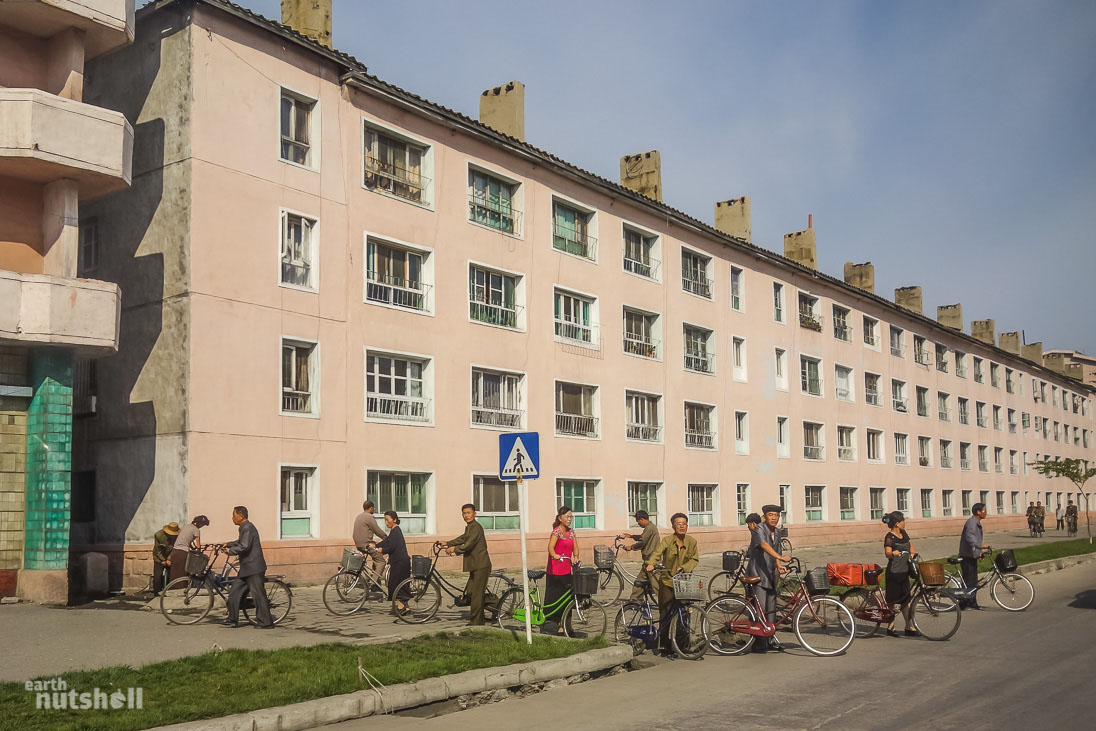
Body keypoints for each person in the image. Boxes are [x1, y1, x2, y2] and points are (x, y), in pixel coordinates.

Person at [645, 513, 699, 657]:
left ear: (687, 525)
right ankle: (665, 645)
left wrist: (685, 567)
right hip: (668, 581)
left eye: (684, 523)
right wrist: (651, 564)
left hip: (684, 583)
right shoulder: (667, 541)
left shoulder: (692, 542)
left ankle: (683, 646)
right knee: (666, 613)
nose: (681, 526)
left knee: (685, 614)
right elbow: (657, 553)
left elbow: (694, 559)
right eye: (678, 523)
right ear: (673, 526)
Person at [744, 505, 791, 653]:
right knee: (761, 609)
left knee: (771, 610)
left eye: (776, 515)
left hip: (770, 574)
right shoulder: (759, 529)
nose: (774, 518)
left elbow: (776, 550)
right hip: (758, 574)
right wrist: (780, 557)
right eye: (771, 515)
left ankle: (770, 639)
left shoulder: (777, 532)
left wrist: (779, 564)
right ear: (765, 516)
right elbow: (764, 545)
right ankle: (758, 642)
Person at [223, 506, 273, 628]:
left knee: (258, 596)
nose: (232, 518)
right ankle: (232, 619)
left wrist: (231, 551)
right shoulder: (244, 527)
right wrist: (229, 544)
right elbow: (241, 541)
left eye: (234, 515)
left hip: (254, 568)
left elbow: (244, 546)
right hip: (247, 568)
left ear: (241, 516)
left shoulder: (248, 527)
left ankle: (266, 622)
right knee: (234, 592)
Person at [445, 503, 492, 626]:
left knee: (476, 595)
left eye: (468, 513)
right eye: (464, 513)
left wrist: (454, 550)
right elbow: (463, 538)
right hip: (475, 565)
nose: (466, 515)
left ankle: (477, 621)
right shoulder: (470, 527)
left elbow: (469, 543)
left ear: (474, 514)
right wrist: (448, 543)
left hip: (481, 565)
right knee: (472, 594)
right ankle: (495, 604)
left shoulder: (476, 527)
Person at [882, 512, 918, 637]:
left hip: (904, 572)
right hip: (893, 573)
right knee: (891, 602)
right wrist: (893, 553)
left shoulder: (904, 534)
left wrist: (912, 554)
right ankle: (890, 627)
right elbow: (887, 553)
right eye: (903, 520)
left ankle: (909, 626)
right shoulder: (889, 537)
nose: (905, 522)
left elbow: (911, 546)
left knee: (905, 601)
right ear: (897, 523)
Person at [544, 505, 579, 632]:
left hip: (567, 570)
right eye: (567, 517)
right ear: (560, 518)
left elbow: (575, 547)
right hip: (555, 571)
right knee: (556, 599)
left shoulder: (571, 532)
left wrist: (576, 556)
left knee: (568, 599)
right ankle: (557, 625)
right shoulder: (556, 532)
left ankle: (567, 625)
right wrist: (554, 555)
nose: (569, 519)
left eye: (571, 516)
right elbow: (550, 547)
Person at [371, 511, 411, 614]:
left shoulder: (396, 531)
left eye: (387, 520)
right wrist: (375, 545)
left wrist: (381, 550)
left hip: (400, 562)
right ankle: (406, 608)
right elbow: (387, 541)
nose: (386, 522)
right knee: (400, 585)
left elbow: (391, 546)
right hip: (399, 562)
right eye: (385, 520)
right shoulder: (394, 531)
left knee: (394, 585)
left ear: (394, 520)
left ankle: (401, 607)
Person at [623, 510, 660, 600]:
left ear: (642, 519)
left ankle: (666, 602)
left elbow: (643, 541)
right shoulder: (650, 527)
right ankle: (635, 600)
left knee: (656, 586)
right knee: (640, 581)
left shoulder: (649, 528)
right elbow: (643, 537)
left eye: (638, 521)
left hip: (651, 561)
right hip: (648, 561)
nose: (638, 524)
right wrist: (632, 536)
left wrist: (631, 547)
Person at [958, 503, 989, 610]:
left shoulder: (976, 522)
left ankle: (972, 603)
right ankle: (964, 603)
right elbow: (970, 537)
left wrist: (979, 553)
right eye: (984, 510)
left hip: (971, 554)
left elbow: (975, 539)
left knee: (973, 581)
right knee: (969, 581)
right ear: (978, 512)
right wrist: (979, 546)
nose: (986, 512)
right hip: (967, 555)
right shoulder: (972, 523)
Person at [353, 500, 388, 584]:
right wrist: (385, 537)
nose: (374, 510)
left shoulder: (359, 516)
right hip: (366, 544)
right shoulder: (369, 517)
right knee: (381, 562)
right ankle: (373, 582)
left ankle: (373, 576)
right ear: (371, 508)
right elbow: (377, 530)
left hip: (359, 544)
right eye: (374, 508)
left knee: (376, 557)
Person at [168, 515, 209, 583]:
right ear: (199, 523)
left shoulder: (186, 526)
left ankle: (172, 589)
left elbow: (185, 539)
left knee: (174, 573)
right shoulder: (196, 530)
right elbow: (198, 545)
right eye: (202, 525)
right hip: (183, 553)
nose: (202, 526)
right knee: (183, 573)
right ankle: (181, 590)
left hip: (175, 551)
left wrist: (192, 547)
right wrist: (199, 552)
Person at [151, 522, 180, 595]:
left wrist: (169, 559)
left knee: (172, 575)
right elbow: (157, 550)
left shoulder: (178, 536)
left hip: (170, 557)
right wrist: (163, 560)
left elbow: (175, 548)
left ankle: (169, 592)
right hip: (159, 557)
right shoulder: (158, 535)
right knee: (158, 575)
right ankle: (157, 594)